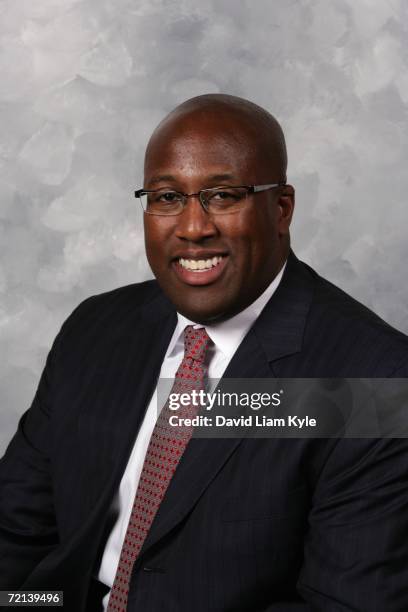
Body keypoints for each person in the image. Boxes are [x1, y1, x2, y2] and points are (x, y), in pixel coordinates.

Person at [1, 93, 408, 612]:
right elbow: (17, 531)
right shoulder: (97, 329)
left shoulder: (376, 382)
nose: (194, 228)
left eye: (221, 195)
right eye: (168, 197)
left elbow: (345, 605)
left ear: (281, 208)